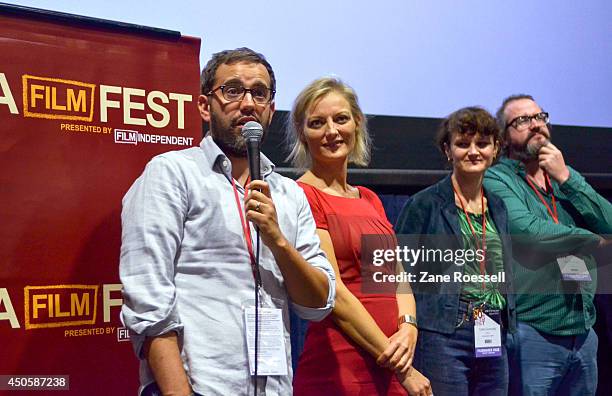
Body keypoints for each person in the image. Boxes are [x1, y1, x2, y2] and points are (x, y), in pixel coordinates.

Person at [119, 48, 336, 396]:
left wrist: (278, 239)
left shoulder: (289, 194)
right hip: (200, 387)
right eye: (233, 90)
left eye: (259, 93)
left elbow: (318, 304)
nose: (248, 103)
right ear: (205, 106)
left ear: (270, 110)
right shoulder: (172, 173)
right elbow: (148, 301)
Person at [287, 77, 431, 395]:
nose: (332, 131)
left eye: (341, 119)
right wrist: (403, 369)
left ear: (357, 122)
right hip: (341, 369)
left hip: (394, 360)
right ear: (302, 133)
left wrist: (408, 325)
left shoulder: (369, 198)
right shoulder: (302, 196)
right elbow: (334, 294)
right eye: (317, 123)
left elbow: (394, 275)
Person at [483, 94, 612, 396]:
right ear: (503, 137)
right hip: (534, 332)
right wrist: (594, 242)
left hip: (582, 331)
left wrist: (567, 178)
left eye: (540, 117)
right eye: (522, 121)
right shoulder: (496, 178)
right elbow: (528, 231)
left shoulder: (563, 177)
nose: (536, 125)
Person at [395, 106, 516, 395]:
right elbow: (396, 274)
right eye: (463, 144)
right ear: (448, 150)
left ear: (496, 148)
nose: (473, 151)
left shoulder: (498, 206)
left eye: (483, 143)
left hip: (492, 326)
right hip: (444, 331)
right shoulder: (425, 204)